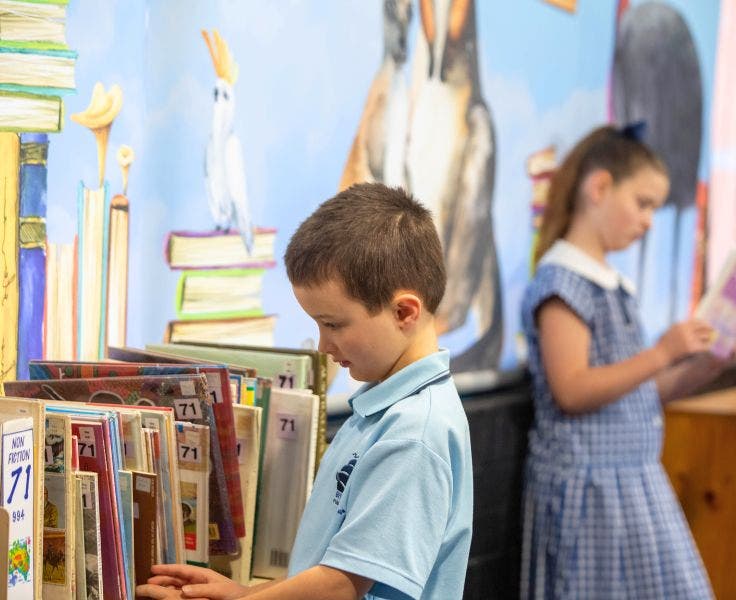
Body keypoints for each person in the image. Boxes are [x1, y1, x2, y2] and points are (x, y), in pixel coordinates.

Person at [136, 183, 473, 600]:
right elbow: (328, 566)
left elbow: (341, 585)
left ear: (404, 311)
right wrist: (244, 594)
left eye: (333, 324)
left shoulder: (414, 433)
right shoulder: (384, 411)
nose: (323, 346)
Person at [520, 124, 726, 599]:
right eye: (643, 203)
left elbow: (636, 393)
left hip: (632, 484)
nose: (649, 220)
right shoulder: (563, 282)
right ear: (599, 188)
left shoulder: (611, 284)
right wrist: (662, 352)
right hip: (593, 492)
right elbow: (571, 390)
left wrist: (705, 365)